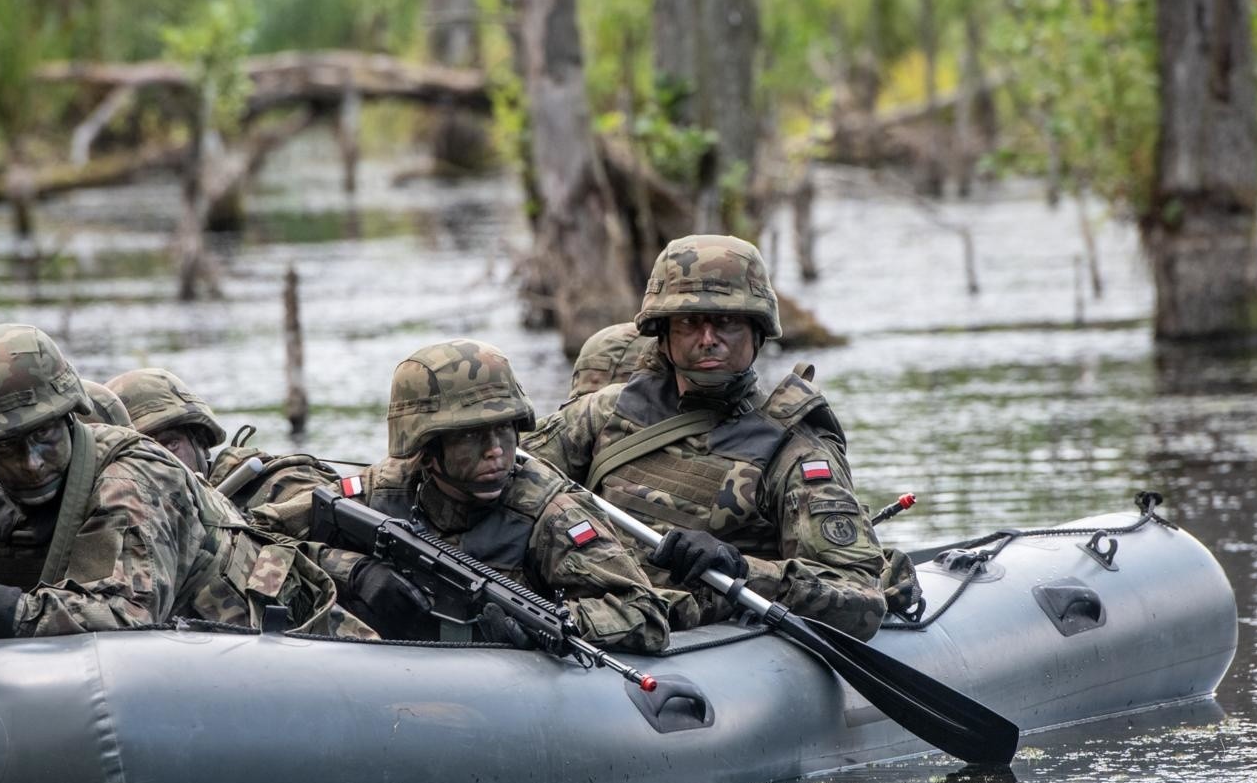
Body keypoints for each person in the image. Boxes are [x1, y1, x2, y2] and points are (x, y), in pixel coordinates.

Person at [525, 234, 905, 640]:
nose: (708, 339)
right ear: (664, 333)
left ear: (756, 332)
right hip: (584, 622)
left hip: (704, 643)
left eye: (726, 322)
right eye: (689, 323)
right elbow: (507, 482)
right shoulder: (602, 414)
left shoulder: (794, 448)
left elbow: (861, 599)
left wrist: (740, 567)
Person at [0, 323, 370, 639]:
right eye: (7, 447)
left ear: (70, 419)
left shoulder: (135, 474)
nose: (31, 463)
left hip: (296, 654)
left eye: (44, 436)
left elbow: (124, 618)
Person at [253, 340, 670, 652]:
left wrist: (549, 626)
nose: (496, 450)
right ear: (427, 448)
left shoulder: (548, 512)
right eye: (472, 435)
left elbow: (645, 613)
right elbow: (255, 539)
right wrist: (354, 571)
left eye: (505, 430)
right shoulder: (380, 491)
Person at [104, 367, 339, 512]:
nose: (162, 462)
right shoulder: (114, 522)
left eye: (170, 444)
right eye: (144, 454)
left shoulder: (260, 484)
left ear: (199, 441)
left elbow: (317, 501)